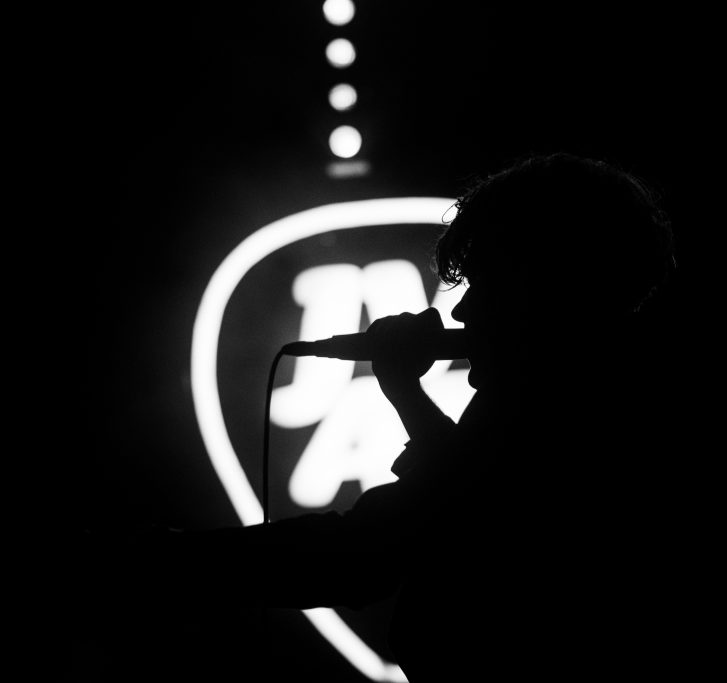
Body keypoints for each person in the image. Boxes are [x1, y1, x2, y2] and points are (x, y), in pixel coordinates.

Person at [85, 152, 680, 681]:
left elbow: (372, 549)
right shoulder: (546, 396)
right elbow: (444, 501)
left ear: (543, 282)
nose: (464, 312)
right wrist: (403, 389)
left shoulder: (571, 407)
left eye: (487, 284)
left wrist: (162, 561)